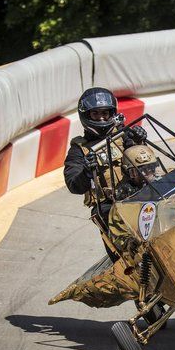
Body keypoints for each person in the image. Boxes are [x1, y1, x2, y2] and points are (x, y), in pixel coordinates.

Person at [64, 87, 148, 258]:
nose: (101, 118)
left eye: (105, 113)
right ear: (86, 116)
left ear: (112, 113)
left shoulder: (124, 134)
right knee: (129, 248)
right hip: (111, 207)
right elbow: (73, 184)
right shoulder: (79, 150)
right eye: (96, 114)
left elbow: (147, 166)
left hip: (140, 193)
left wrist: (140, 142)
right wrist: (87, 171)